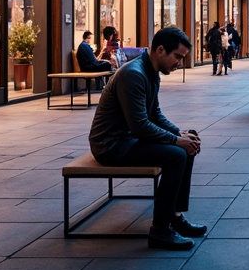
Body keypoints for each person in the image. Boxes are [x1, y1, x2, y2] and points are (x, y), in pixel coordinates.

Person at [88, 26, 206, 250]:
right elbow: (140, 125)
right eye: (177, 57)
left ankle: (174, 216)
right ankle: (160, 231)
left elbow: (155, 114)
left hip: (129, 139)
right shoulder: (134, 74)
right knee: (176, 155)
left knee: (189, 139)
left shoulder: (150, 72)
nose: (180, 63)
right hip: (112, 146)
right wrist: (174, 140)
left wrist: (179, 133)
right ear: (161, 50)